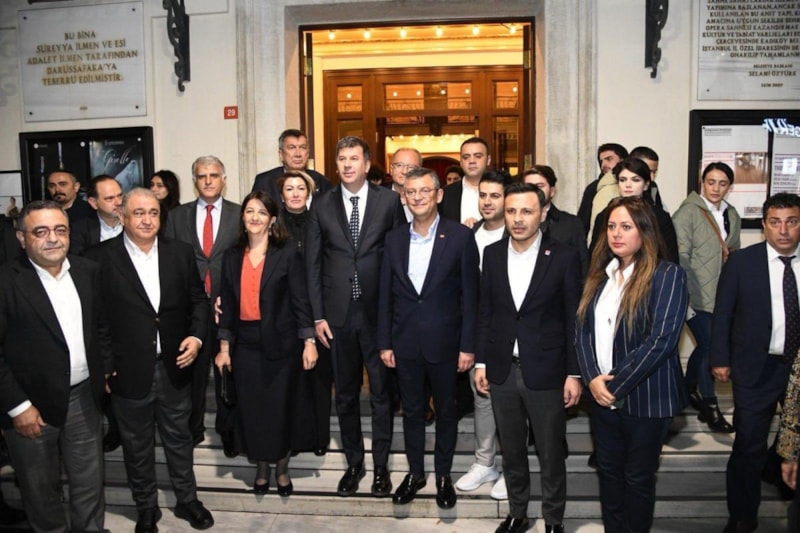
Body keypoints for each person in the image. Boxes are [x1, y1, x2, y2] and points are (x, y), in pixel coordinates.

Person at [86, 188, 213, 533]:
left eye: (153, 213)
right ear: (123, 217)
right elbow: (95, 318)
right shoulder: (99, 258)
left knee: (179, 439)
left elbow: (198, 301)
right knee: (136, 445)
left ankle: (187, 500)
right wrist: (106, 364)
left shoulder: (179, 253)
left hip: (174, 365)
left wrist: (196, 337)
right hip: (127, 369)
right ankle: (145, 507)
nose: (147, 220)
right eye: (139, 213)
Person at [576, 196, 688, 533]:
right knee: (609, 474)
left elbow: (662, 340)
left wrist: (614, 384)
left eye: (626, 226)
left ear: (644, 230)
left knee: (637, 478)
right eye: (611, 226)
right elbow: (582, 332)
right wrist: (592, 378)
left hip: (646, 397)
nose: (616, 233)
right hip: (601, 398)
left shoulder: (667, 275)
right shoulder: (600, 276)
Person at [476, 183, 582, 533]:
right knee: (511, 450)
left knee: (551, 453)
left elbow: (573, 319)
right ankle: (517, 513)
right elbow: (486, 312)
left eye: (526, 211)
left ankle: (553, 520)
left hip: (547, 371)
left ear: (543, 213)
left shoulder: (563, 256)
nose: (518, 219)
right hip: (502, 370)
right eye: (511, 211)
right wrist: (481, 362)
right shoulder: (492, 254)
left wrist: (573, 373)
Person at [305, 136, 405, 498]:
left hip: (378, 314)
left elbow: (399, 257)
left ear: (366, 164)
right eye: (342, 159)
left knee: (381, 394)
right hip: (337, 317)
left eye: (354, 158)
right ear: (336, 165)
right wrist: (318, 316)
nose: (347, 165)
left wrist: (396, 314)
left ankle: (381, 468)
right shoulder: (321, 205)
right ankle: (354, 464)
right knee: (345, 395)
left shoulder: (389, 201)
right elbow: (313, 264)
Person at [0, 200, 106, 532]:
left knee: (89, 484)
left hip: (83, 400)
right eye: (41, 231)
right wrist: (18, 407)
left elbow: (101, 328)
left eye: (60, 230)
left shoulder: (88, 271)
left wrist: (105, 371)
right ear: (21, 238)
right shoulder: (5, 281)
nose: (53, 238)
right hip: (30, 406)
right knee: (40, 490)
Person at [378, 167, 479, 509]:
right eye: (411, 192)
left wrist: (468, 346)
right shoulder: (393, 239)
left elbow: (470, 297)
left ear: (438, 195)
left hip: (447, 344)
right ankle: (416, 473)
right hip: (405, 342)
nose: (417, 197)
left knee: (447, 412)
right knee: (412, 412)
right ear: (403, 197)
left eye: (424, 191)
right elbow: (386, 295)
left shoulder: (460, 237)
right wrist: (385, 342)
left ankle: (443, 475)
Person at [215, 190, 317, 496]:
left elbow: (300, 301)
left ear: (272, 219)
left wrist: (309, 341)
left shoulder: (286, 253)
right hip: (244, 347)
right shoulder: (231, 257)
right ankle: (261, 467)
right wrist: (224, 348)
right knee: (253, 412)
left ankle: (282, 468)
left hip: (282, 347)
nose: (255, 217)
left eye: (262, 212)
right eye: (249, 211)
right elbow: (227, 305)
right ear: (243, 217)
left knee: (280, 410)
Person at [711, 192, 800, 533]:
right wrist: (720, 358)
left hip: (798, 371)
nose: (783, 230)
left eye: (791, 222)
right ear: (764, 225)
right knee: (749, 443)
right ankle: (742, 515)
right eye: (775, 222)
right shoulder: (742, 262)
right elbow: (723, 313)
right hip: (755, 368)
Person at [165, 156, 241, 455]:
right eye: (202, 176)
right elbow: (170, 262)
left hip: (228, 308)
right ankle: (193, 430)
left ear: (224, 179)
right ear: (194, 181)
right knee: (193, 377)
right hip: (191, 310)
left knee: (228, 373)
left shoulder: (240, 213)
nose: (208, 181)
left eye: (214, 175)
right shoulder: (176, 216)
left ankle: (229, 432)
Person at [672, 162, 740, 433]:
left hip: (721, 295)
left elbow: (734, 254)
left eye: (722, 183)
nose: (716, 188)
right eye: (711, 182)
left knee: (706, 345)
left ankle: (688, 390)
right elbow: (680, 256)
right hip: (695, 295)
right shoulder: (687, 212)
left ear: (729, 187)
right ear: (702, 182)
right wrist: (686, 293)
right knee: (711, 345)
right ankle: (710, 406)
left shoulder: (731, 214)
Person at [456, 170, 510, 501]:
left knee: (511, 403)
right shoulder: (470, 234)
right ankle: (484, 463)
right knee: (483, 399)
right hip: (477, 330)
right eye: (483, 195)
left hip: (510, 334)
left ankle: (512, 468)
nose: (487, 202)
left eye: (495, 196)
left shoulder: (518, 234)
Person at [277, 170, 333, 456]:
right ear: (281, 195)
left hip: (319, 309)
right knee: (292, 379)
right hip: (284, 314)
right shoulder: (273, 226)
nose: (296, 193)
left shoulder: (320, 220)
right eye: (290, 188)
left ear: (309, 193)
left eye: (301, 188)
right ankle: (293, 437)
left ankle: (319, 437)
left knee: (320, 379)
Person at [590, 157, 678, 264]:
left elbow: (671, 258)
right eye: (623, 180)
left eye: (635, 180)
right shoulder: (605, 215)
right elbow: (595, 255)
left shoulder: (660, 217)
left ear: (646, 185)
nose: (628, 185)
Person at [522, 165, 589, 277]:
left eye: (540, 186)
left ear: (552, 191)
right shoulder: (514, 222)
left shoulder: (571, 224)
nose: (534, 191)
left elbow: (583, 267)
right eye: (528, 187)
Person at [252, 128, 332, 202]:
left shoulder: (322, 182)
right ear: (281, 154)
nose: (298, 154)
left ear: (307, 153)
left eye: (302, 147)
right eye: (291, 148)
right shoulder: (264, 182)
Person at [577, 143, 627, 235]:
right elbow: (582, 223)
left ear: (622, 160)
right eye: (601, 161)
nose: (603, 165)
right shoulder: (593, 188)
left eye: (609, 159)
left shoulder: (637, 184)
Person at [440, 137, 492, 227]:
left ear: (488, 160)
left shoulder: (503, 191)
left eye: (478, 156)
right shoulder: (445, 194)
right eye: (466, 157)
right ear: (461, 162)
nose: (472, 161)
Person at [70, 174, 124, 256]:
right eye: (110, 198)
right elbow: (79, 260)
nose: (119, 202)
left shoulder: (135, 222)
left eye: (120, 196)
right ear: (94, 203)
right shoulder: (80, 229)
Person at [388, 147, 423, 222]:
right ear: (391, 169)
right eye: (399, 165)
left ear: (419, 171)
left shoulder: (427, 199)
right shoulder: (378, 200)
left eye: (411, 167)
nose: (404, 171)